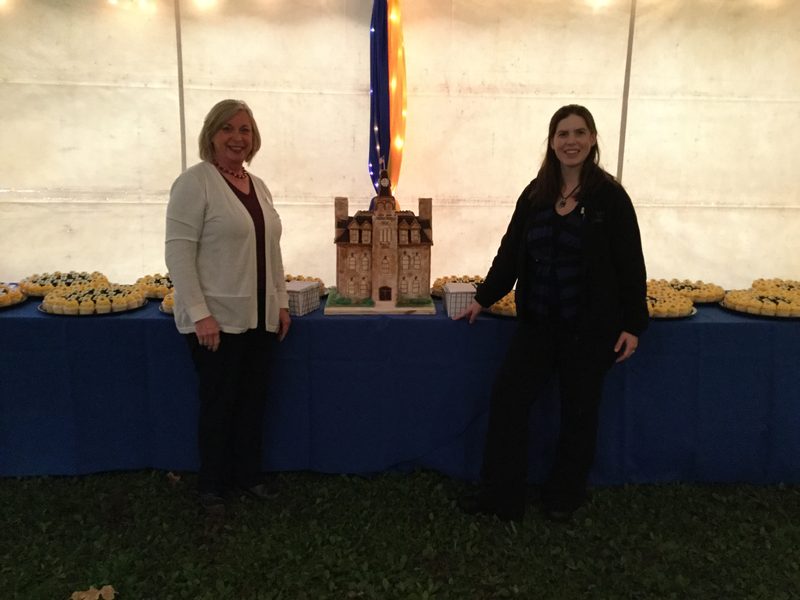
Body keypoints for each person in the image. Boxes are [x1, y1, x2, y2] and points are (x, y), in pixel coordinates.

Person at [454, 104, 648, 522]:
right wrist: (484, 297)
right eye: (563, 133)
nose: (571, 141)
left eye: (580, 132)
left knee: (579, 413)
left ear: (593, 139)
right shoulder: (535, 193)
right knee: (508, 401)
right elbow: (510, 252)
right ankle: (501, 498)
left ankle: (564, 498)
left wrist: (634, 324)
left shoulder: (610, 198)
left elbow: (630, 262)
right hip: (537, 325)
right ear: (552, 141)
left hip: (589, 330)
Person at [165, 99, 291, 514]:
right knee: (219, 403)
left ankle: (248, 475)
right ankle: (212, 485)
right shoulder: (194, 183)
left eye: (246, 131)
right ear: (212, 135)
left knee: (254, 399)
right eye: (228, 129)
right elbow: (179, 254)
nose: (238, 138)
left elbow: (272, 251)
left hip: (259, 316)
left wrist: (282, 303)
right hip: (217, 320)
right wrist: (200, 313)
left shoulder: (259, 186)